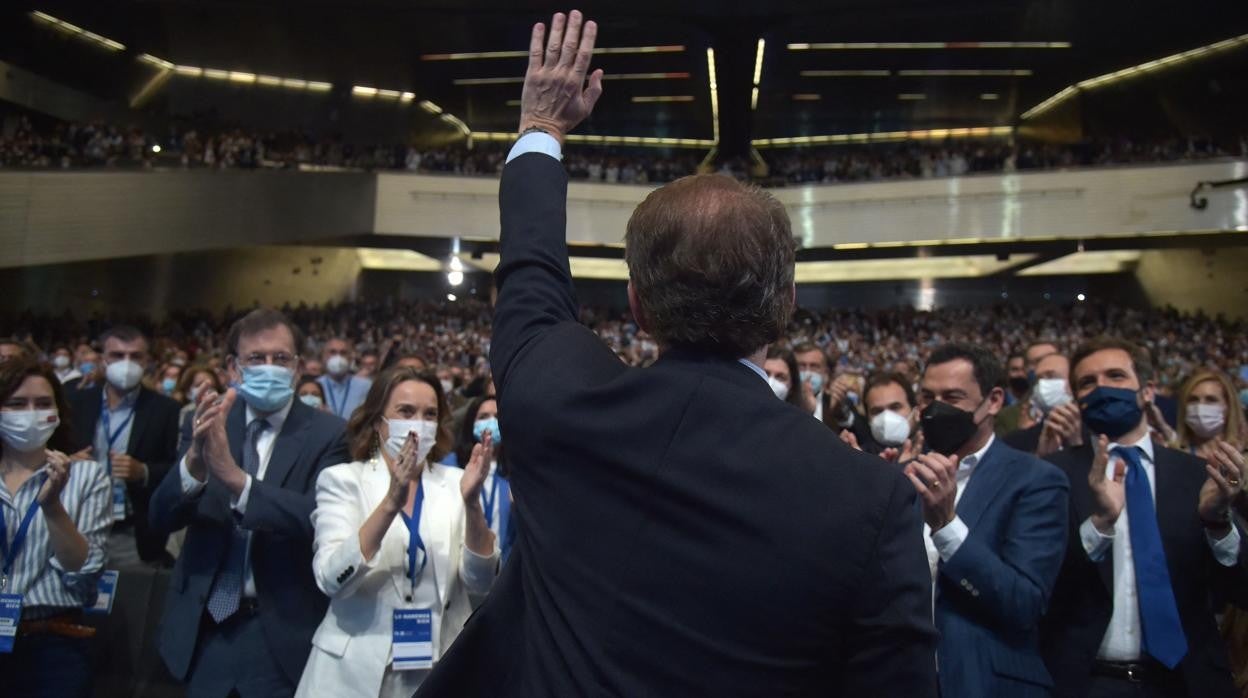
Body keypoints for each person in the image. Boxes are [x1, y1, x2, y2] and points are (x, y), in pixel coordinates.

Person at [417, 12, 937, 696]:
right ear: (785, 306)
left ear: (636, 304)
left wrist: (540, 129)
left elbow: (531, 279)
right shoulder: (870, 498)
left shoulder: (559, 403)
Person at [149, 308, 349, 698]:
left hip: (281, 632)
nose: (269, 367)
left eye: (281, 358)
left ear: (298, 367)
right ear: (233, 367)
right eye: (256, 358)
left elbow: (319, 519)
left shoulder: (330, 433)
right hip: (204, 631)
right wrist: (194, 464)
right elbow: (160, 516)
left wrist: (237, 481)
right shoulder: (208, 420)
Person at [1040, 336, 1248, 698]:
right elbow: (1039, 583)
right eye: (1088, 383)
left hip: (1188, 682)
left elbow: (1240, 590)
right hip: (1085, 682)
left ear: (1147, 390)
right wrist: (1099, 526)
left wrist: (1218, 522)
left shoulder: (1199, 476)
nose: (1102, 388)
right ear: (1076, 399)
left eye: (1116, 376)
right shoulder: (1049, 475)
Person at [297, 368, 497, 698]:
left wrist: (473, 505)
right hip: (352, 674)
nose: (418, 422)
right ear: (378, 421)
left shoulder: (455, 482)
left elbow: (481, 582)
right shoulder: (343, 480)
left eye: (429, 414)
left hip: (438, 669)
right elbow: (332, 579)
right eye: (406, 411)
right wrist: (392, 501)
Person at [909, 343, 1069, 697]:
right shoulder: (901, 476)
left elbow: (1024, 602)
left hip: (987, 683)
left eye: (952, 396)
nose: (936, 409)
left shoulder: (1035, 480)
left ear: (994, 401)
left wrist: (947, 526)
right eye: (927, 396)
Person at [0, 357, 111, 698]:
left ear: (59, 411)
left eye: (43, 403)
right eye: (17, 404)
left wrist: (52, 505)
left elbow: (82, 570)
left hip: (53, 643)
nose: (30, 414)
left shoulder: (86, 477)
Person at [67, 326, 181, 566]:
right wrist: (69, 461)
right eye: (118, 355)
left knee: (126, 600)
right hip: (76, 521)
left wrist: (144, 471)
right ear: (103, 360)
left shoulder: (165, 409)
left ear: (147, 361)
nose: (126, 363)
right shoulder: (77, 402)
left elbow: (176, 468)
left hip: (130, 529)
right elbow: (54, 450)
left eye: (135, 356)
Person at [451, 396, 517, 562]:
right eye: (483, 416)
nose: (491, 422)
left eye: (497, 416)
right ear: (471, 423)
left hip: (505, 569)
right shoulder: (450, 465)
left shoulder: (517, 470)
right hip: (460, 562)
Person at [1004, 352, 1080, 456]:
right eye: (1038, 379)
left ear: (1072, 381)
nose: (1042, 384)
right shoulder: (1014, 443)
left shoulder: (1096, 432)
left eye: (1051, 376)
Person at [1173, 369, 1244, 459]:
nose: (1200, 406)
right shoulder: (1174, 455)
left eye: (1211, 399)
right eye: (1193, 399)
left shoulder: (1243, 456)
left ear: (1228, 406)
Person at [997, 339, 1060, 435]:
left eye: (1051, 358)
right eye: (1037, 362)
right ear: (1026, 370)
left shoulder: (1082, 405)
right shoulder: (1006, 417)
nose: (1046, 365)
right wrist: (1022, 435)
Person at [319, 337, 372, 420]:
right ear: (323, 356)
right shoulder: (316, 385)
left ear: (350, 358)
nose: (338, 357)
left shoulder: (365, 386)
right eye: (333, 352)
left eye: (343, 353)